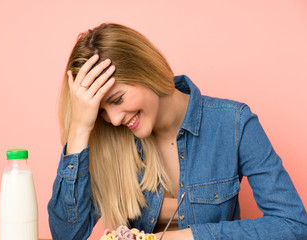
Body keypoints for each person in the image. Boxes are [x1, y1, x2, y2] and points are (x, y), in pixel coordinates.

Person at [47, 23, 307, 240]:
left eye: (117, 100)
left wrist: (185, 237)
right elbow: (67, 235)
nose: (113, 120)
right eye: (101, 112)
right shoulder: (109, 142)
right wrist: (80, 129)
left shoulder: (235, 124)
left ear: (145, 70)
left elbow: (293, 225)